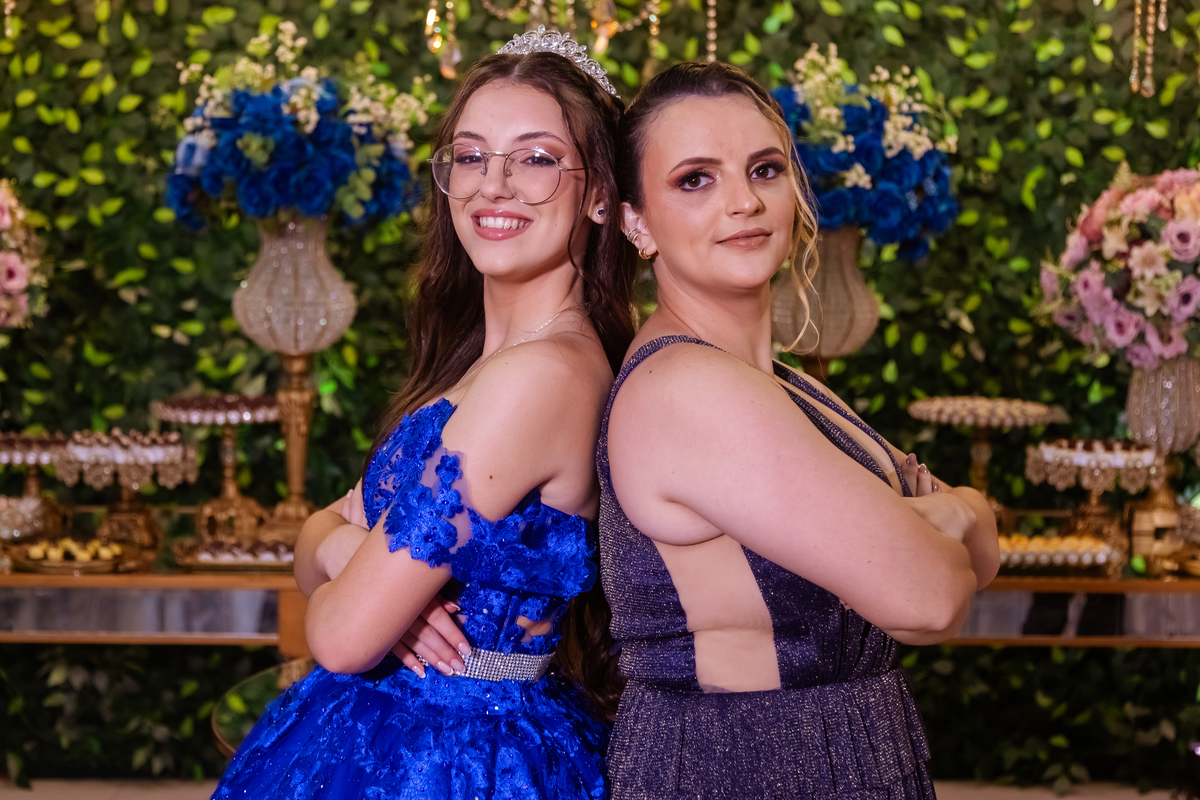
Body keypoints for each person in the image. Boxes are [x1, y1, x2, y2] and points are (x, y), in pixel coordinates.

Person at [211, 29, 632, 800]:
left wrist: (357, 583)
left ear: (599, 193)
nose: (492, 185)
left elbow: (341, 636)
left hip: (451, 756)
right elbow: (313, 539)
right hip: (400, 729)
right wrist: (349, 552)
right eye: (470, 157)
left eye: (536, 159)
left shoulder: (538, 379)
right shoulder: (481, 364)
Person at [599, 61, 999, 800]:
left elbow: (985, 559)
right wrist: (953, 513)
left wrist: (959, 521)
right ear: (636, 222)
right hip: (746, 766)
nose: (744, 202)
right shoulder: (689, 389)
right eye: (696, 179)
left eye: (765, 169)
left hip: (852, 750)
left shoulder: (781, 381)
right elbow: (934, 596)